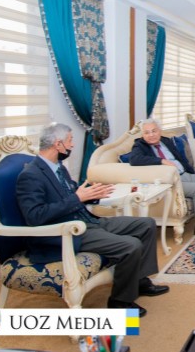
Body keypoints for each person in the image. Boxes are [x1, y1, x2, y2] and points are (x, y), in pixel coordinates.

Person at [16, 123, 168, 317]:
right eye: (70, 141)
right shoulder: (31, 175)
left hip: (87, 220)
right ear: (58, 144)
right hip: (67, 231)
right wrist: (78, 198)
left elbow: (73, 193)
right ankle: (120, 302)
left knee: (146, 224)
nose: (72, 145)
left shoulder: (58, 167)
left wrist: (93, 194)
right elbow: (35, 216)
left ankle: (139, 280)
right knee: (131, 245)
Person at [129, 118, 195, 240]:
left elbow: (179, 157)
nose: (151, 135)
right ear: (142, 135)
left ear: (159, 131)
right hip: (170, 182)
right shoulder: (139, 145)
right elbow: (134, 159)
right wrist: (161, 161)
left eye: (154, 131)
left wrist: (188, 169)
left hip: (184, 174)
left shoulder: (165, 141)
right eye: (147, 132)